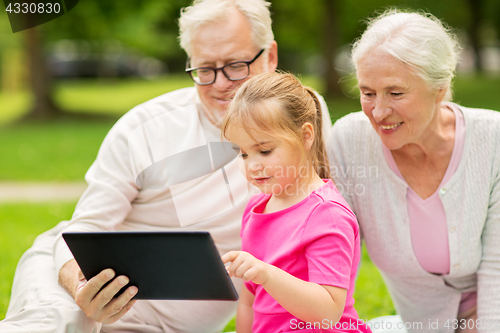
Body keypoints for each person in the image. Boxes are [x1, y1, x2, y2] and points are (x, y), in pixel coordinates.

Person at [0, 1, 332, 332]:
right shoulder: (145, 127)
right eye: (204, 69)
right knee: (61, 323)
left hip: (161, 325)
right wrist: (81, 285)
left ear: (270, 56)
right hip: (73, 285)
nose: (219, 84)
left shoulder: (302, 121)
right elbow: (86, 226)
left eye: (235, 65)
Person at [327, 9, 500, 333]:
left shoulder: (492, 140)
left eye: (396, 93)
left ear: (439, 87)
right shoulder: (350, 142)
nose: (378, 111)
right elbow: (332, 252)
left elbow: (497, 265)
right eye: (367, 93)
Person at [220, 72, 371, 333]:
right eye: (243, 154)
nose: (253, 165)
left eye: (265, 151)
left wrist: (266, 274)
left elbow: (328, 312)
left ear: (306, 136)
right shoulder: (256, 209)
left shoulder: (327, 214)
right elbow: (249, 301)